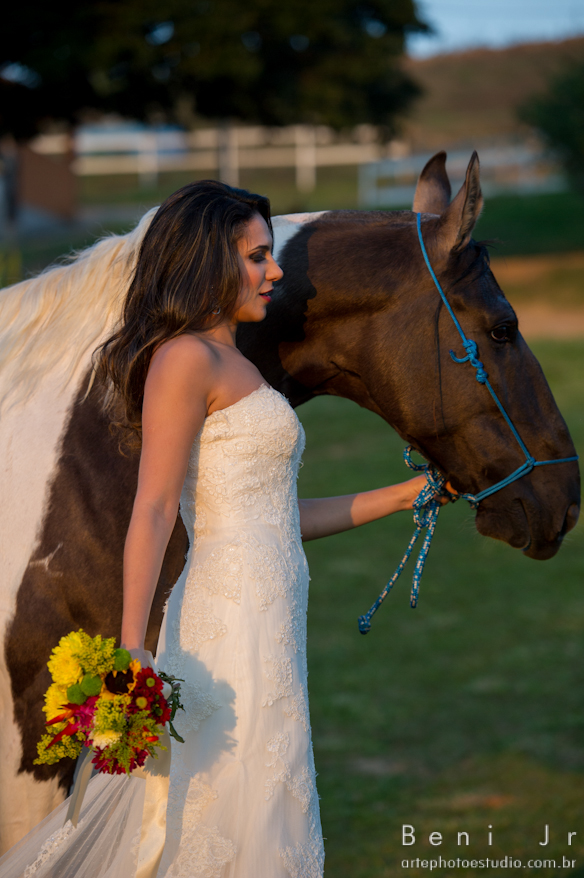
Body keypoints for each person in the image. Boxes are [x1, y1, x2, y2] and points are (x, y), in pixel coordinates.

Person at [0, 181, 429, 878]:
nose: (276, 271)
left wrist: (407, 495)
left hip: (272, 617)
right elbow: (154, 506)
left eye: (270, 255)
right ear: (209, 261)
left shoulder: (239, 364)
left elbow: (275, 518)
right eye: (257, 257)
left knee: (264, 795)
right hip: (223, 623)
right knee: (220, 804)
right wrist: (133, 649)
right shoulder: (184, 359)